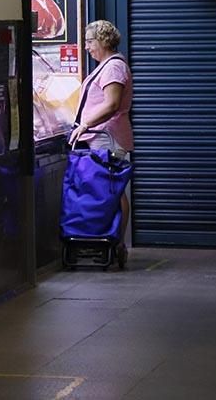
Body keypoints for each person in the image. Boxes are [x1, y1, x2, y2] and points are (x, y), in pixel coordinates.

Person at [68, 20, 134, 259]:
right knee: (109, 191)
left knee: (113, 192)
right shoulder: (106, 66)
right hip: (102, 137)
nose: (86, 47)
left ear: (103, 41)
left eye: (89, 41)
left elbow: (111, 104)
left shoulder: (113, 68)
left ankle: (116, 243)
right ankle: (110, 241)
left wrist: (85, 124)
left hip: (108, 138)